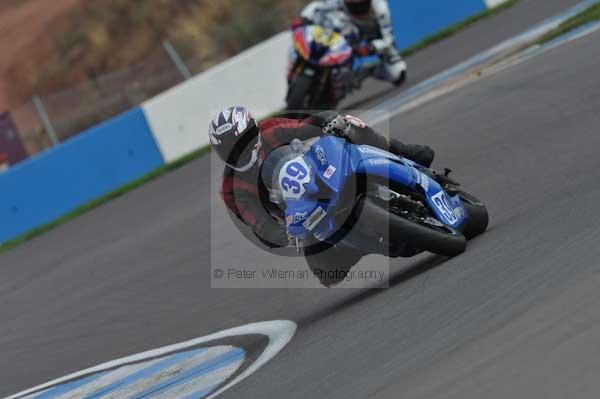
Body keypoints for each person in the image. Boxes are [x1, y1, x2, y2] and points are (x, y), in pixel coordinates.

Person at [293, 0, 405, 85]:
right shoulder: (337, 2)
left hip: (372, 33)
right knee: (331, 21)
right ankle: (328, 65)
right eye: (353, 4)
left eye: (362, 4)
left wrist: (371, 47)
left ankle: (370, 71)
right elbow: (316, 6)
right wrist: (303, 18)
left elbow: (388, 38)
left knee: (397, 73)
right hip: (348, 29)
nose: (358, 8)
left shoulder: (381, 9)